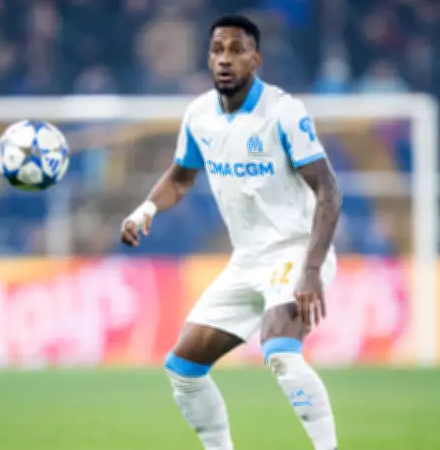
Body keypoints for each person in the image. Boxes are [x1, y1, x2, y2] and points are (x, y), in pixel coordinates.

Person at [119, 14, 343, 450]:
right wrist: (146, 208)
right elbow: (180, 177)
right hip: (247, 260)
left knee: (279, 352)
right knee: (183, 368)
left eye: (237, 51)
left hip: (295, 250)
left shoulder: (283, 112)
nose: (225, 59)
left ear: (255, 60)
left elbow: (329, 190)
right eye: (217, 50)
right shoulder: (199, 114)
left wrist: (312, 269)